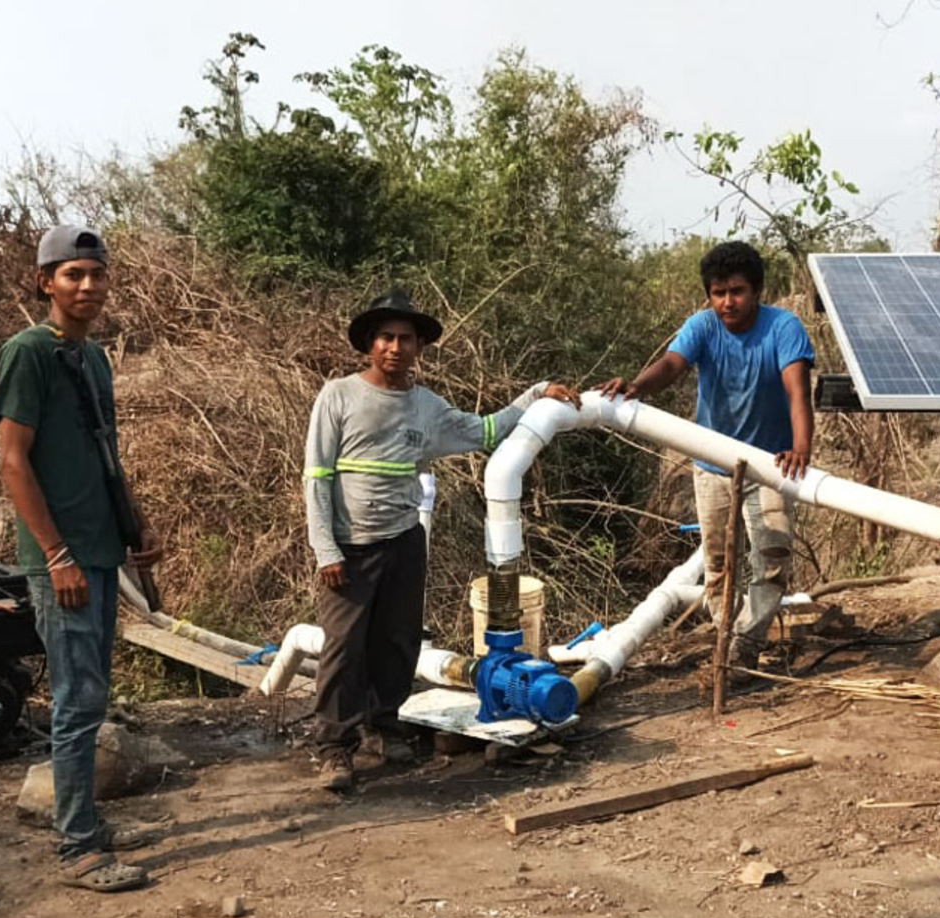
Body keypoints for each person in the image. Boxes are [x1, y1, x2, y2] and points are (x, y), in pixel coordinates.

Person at [304, 289, 579, 791]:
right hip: (350, 548)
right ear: (370, 344)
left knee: (398, 639)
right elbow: (316, 477)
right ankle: (333, 748)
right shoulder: (338, 396)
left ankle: (383, 728)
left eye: (405, 339)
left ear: (419, 348)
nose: (395, 347)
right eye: (386, 337)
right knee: (343, 647)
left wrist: (536, 394)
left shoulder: (426, 407)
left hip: (403, 541)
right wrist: (326, 549)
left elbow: (486, 431)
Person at [0, 224, 162, 892]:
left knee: (90, 695)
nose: (88, 286)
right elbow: (13, 462)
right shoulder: (28, 352)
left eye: (97, 274)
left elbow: (105, 454)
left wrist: (135, 524)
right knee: (77, 699)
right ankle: (79, 849)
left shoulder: (92, 358)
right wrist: (56, 554)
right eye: (72, 275)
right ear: (45, 283)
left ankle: (84, 820)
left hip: (98, 549)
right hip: (63, 559)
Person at [598, 240, 814, 671]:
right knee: (717, 566)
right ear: (709, 295)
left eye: (737, 291)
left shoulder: (783, 328)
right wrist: (637, 387)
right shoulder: (702, 326)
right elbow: (672, 364)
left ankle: (745, 646)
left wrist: (801, 447)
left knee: (772, 560)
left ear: (757, 291)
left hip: (770, 465)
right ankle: (726, 641)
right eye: (719, 293)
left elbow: (797, 392)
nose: (727, 302)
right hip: (712, 466)